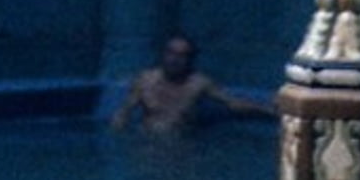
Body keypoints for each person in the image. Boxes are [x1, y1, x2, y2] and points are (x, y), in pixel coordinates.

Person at [109, 35, 275, 134]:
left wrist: (267, 110)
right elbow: (125, 111)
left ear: (190, 60)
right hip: (146, 143)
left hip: (182, 146)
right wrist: (118, 130)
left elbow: (233, 103)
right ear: (163, 54)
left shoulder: (198, 83)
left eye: (182, 55)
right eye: (171, 53)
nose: (175, 60)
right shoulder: (145, 80)